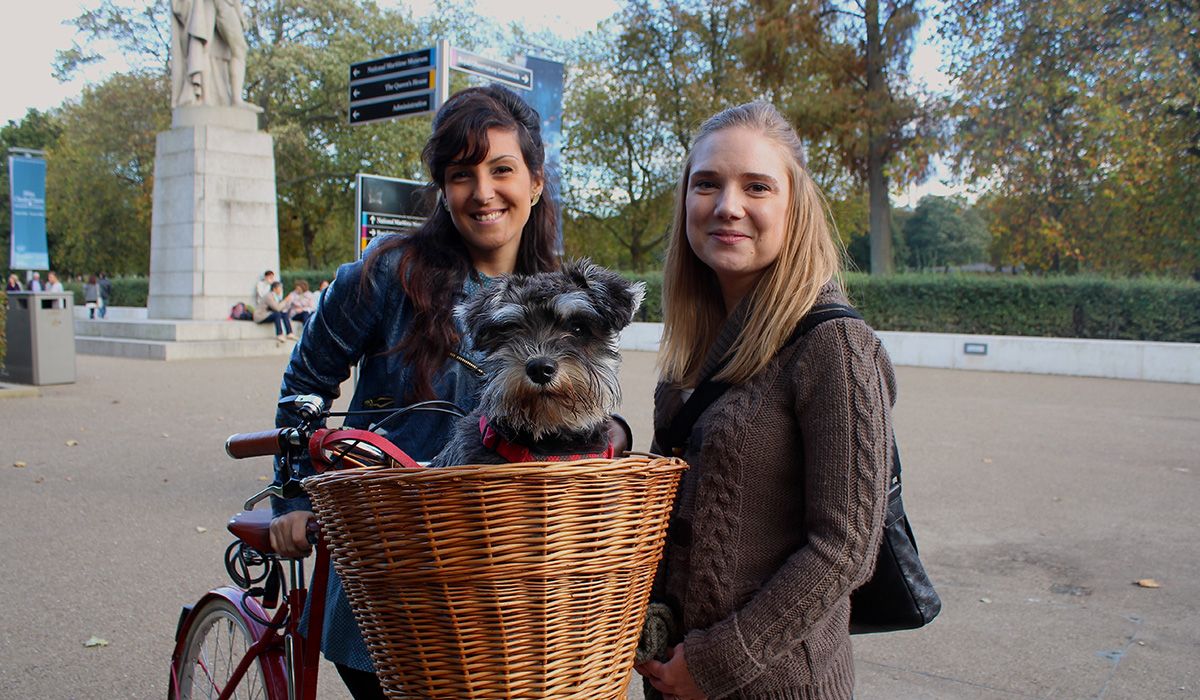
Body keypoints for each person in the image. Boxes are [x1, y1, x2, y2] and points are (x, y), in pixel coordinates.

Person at [267, 85, 560, 699]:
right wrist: (294, 497)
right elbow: (306, 384)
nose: (483, 192)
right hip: (386, 569)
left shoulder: (559, 302)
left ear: (534, 181)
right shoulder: (387, 273)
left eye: (501, 169)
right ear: (442, 189)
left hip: (500, 574)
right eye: (462, 174)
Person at [634, 102, 895, 700]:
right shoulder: (690, 350)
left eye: (757, 186)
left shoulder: (835, 345)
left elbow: (844, 549)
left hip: (776, 686)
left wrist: (713, 665)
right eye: (707, 184)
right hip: (671, 679)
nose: (728, 206)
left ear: (793, 206)